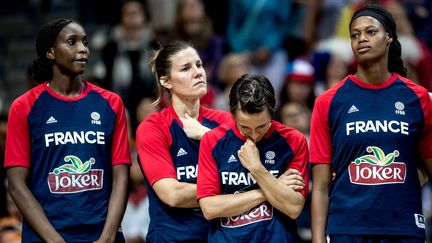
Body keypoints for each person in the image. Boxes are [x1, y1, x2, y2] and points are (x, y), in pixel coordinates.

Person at [310, 5, 432, 243]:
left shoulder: (417, 99)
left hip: (403, 227)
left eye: (370, 32)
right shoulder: (328, 101)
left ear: (389, 37)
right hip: (347, 228)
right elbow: (321, 187)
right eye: (355, 35)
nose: (361, 39)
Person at [4, 19, 131, 242]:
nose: (83, 49)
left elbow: (121, 178)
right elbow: (16, 185)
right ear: (51, 52)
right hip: (46, 236)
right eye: (72, 42)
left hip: (101, 235)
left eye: (85, 42)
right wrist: (54, 241)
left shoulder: (111, 103)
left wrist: (108, 237)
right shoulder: (24, 106)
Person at [135, 41, 232, 242]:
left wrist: (207, 136)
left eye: (199, 65)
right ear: (166, 81)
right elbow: (173, 194)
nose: (198, 72)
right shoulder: (153, 128)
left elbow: (253, 169)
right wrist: (237, 187)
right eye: (186, 68)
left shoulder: (225, 121)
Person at [197, 74, 309, 242]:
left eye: (261, 126)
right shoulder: (213, 141)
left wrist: (256, 168)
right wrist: (273, 187)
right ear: (233, 114)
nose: (254, 135)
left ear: (272, 112)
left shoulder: (293, 140)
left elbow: (293, 207)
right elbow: (210, 208)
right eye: (245, 127)